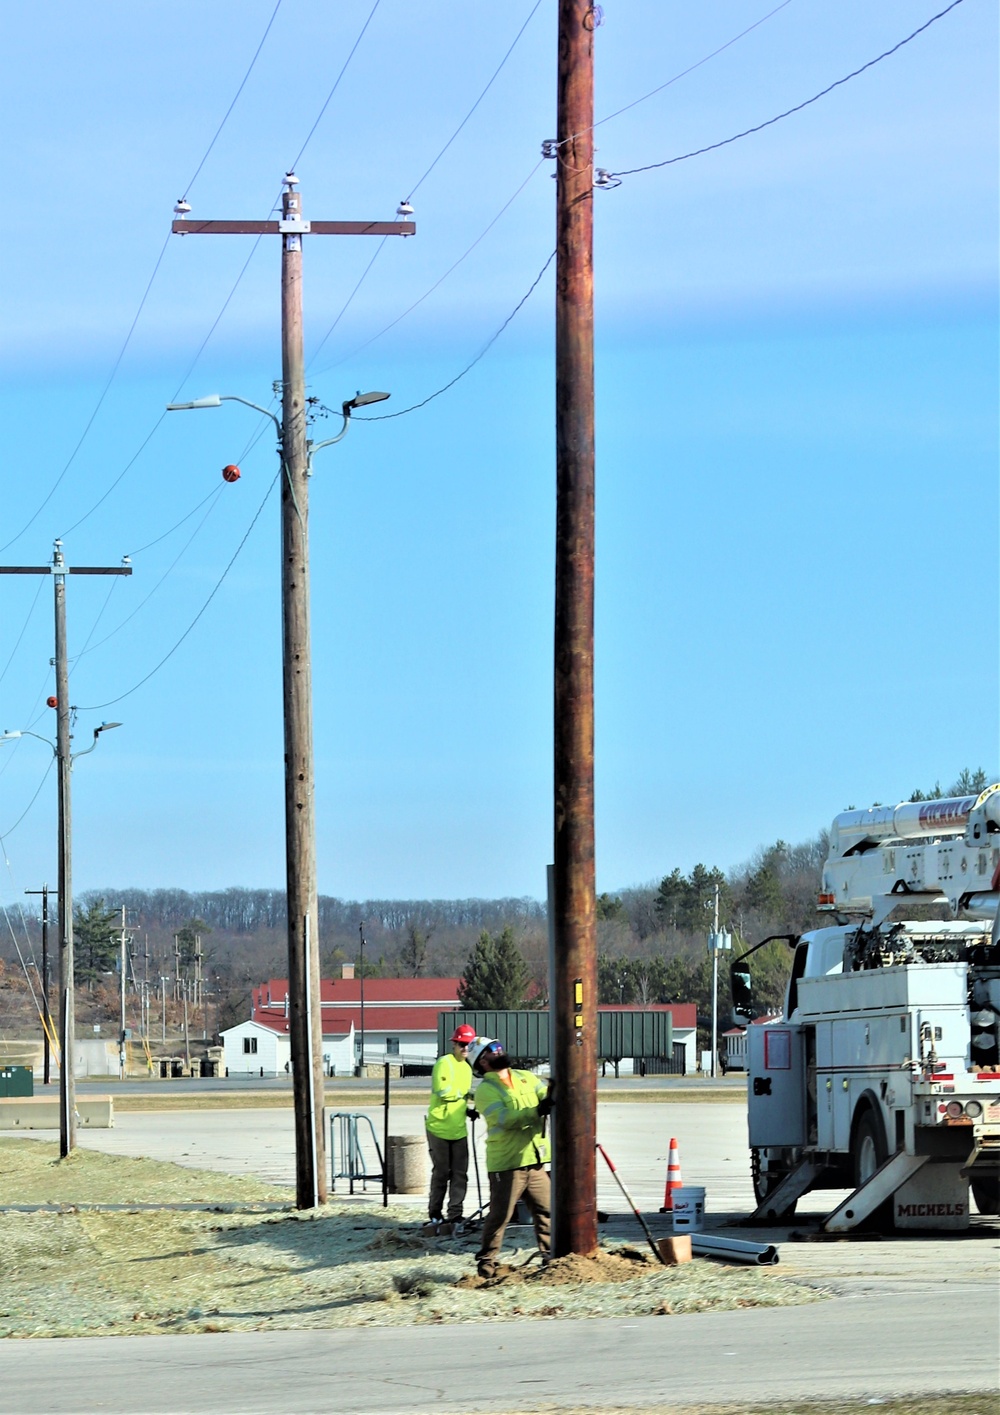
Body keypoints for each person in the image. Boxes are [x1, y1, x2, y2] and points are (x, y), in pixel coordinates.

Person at [467, 1035, 553, 1279]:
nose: (499, 1050)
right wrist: (537, 1110)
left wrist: (551, 1096)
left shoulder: (525, 1077)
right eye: (492, 1049)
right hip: (507, 1163)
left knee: (546, 1211)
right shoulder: (485, 1090)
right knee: (500, 1216)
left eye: (498, 1046)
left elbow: (545, 1095)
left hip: (534, 1159)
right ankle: (486, 1264)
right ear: (482, 1062)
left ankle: (551, 1259)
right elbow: (504, 1119)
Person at [423, 1023, 476, 1235]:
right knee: (441, 1173)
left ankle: (455, 1213)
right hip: (439, 1127)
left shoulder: (467, 1067)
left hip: (458, 1128)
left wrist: (469, 1107)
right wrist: (464, 1096)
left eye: (469, 1045)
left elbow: (463, 1094)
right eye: (462, 1044)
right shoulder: (444, 1063)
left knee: (460, 1174)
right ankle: (435, 1213)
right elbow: (443, 1091)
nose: (465, 1048)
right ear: (454, 1044)